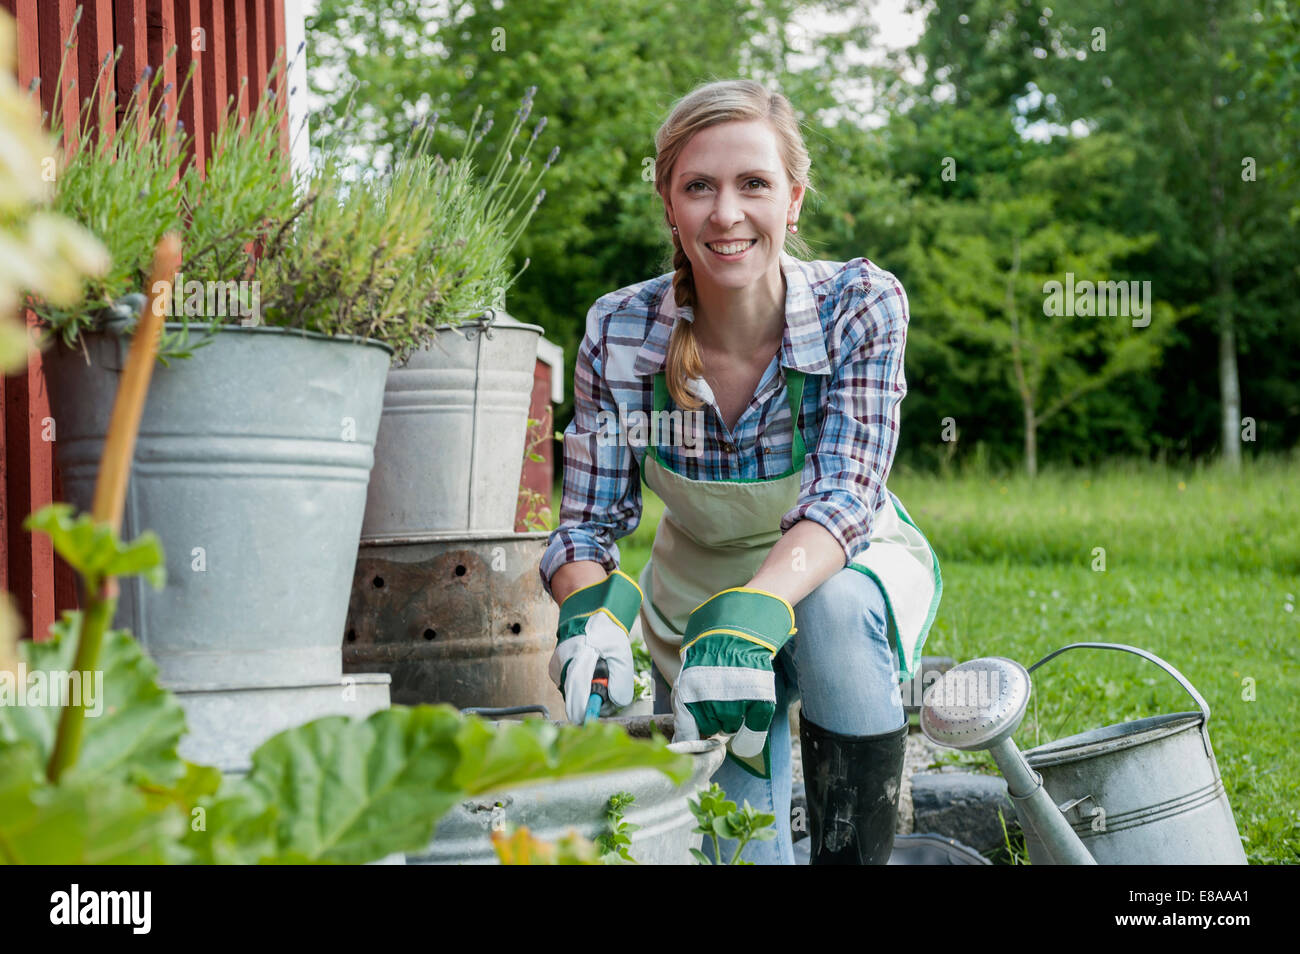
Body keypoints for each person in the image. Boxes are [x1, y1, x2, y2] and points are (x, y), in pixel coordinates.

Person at [539, 79, 941, 865]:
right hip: (696, 612)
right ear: (668, 204)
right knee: (738, 853)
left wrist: (752, 613)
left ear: (793, 198)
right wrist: (589, 614)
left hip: (838, 574)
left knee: (829, 607)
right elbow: (587, 523)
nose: (725, 214)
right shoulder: (622, 331)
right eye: (699, 187)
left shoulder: (859, 305)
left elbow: (846, 498)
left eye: (753, 184)